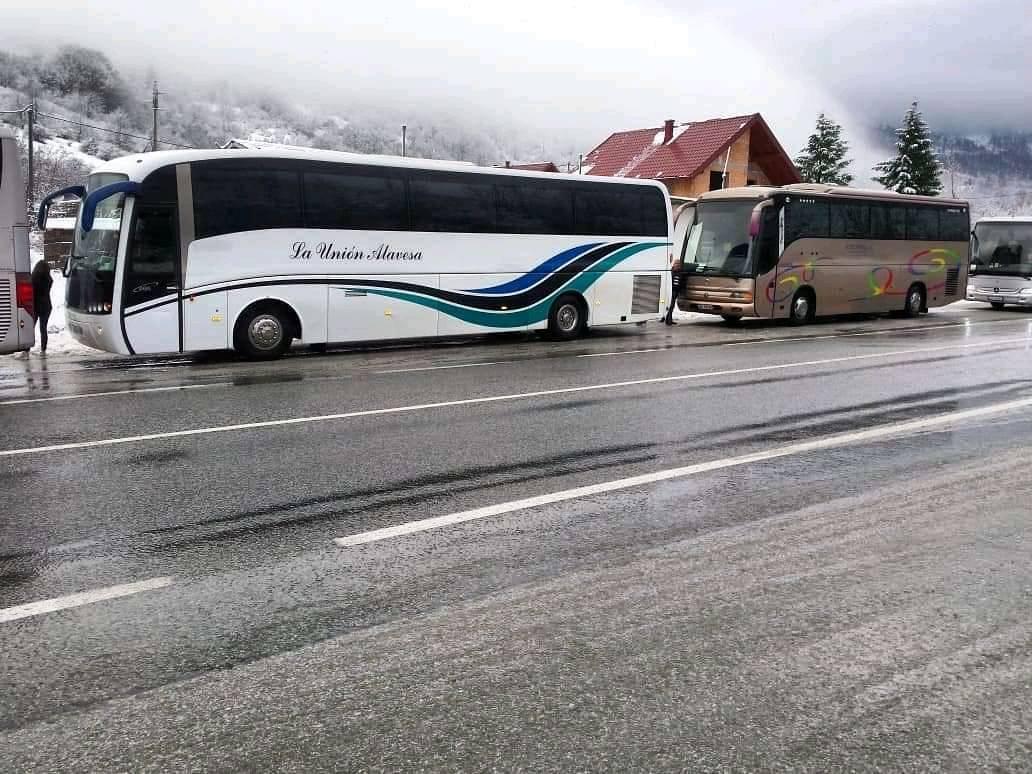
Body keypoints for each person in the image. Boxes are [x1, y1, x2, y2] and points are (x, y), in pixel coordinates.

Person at [31, 259, 53, 354]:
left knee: (30, 328)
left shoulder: (34, 279)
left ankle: (27, 349)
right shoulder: (49, 279)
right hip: (46, 306)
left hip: (35, 306)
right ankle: (43, 349)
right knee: (43, 328)